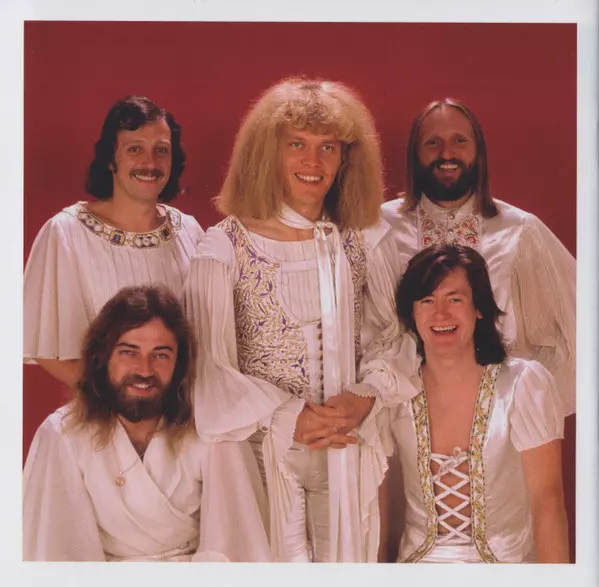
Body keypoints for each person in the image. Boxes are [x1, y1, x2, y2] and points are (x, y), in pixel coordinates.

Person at [183, 78, 407, 562]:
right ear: (269, 152)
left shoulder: (365, 239)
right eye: (297, 144)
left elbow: (398, 335)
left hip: (349, 446)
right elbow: (208, 368)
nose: (313, 161)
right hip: (260, 453)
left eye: (328, 147)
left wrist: (367, 395)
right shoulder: (224, 247)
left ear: (345, 158)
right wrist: (289, 417)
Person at [23, 285, 270, 562]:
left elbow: (234, 546)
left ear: (179, 364)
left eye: (160, 355)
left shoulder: (213, 429)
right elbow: (59, 554)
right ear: (102, 358)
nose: (144, 369)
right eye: (129, 352)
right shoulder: (63, 434)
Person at [376, 98, 575, 416]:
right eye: (432, 142)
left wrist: (525, 408)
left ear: (478, 151)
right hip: (401, 416)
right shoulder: (380, 228)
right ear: (415, 153)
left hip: (496, 417)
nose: (447, 153)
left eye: (459, 141)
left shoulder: (519, 231)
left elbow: (577, 330)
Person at [389, 244, 569, 563]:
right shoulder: (395, 390)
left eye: (454, 299)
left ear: (479, 308)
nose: (440, 313)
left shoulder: (522, 385)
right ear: (412, 313)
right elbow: (374, 504)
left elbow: (548, 502)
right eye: (427, 300)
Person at [24, 95, 204, 388]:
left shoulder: (190, 231)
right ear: (110, 159)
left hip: (187, 410)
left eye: (161, 150)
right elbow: (48, 352)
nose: (150, 163)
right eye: (135, 149)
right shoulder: (66, 232)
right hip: (107, 410)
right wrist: (121, 402)